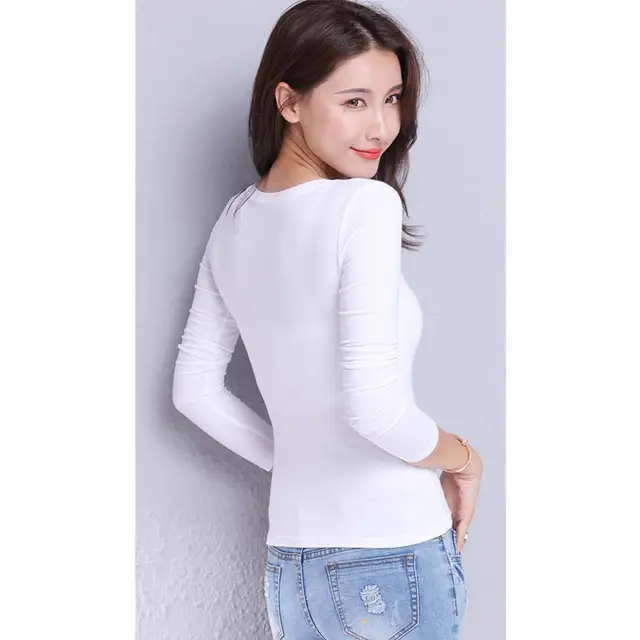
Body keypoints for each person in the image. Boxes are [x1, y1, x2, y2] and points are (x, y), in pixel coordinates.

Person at [172, 1, 483, 638]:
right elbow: (376, 410)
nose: (382, 126)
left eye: (392, 99)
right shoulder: (365, 205)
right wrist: (464, 458)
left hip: (293, 560)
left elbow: (193, 392)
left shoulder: (235, 222)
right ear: (288, 101)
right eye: (354, 101)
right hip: (392, 551)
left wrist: (297, 463)